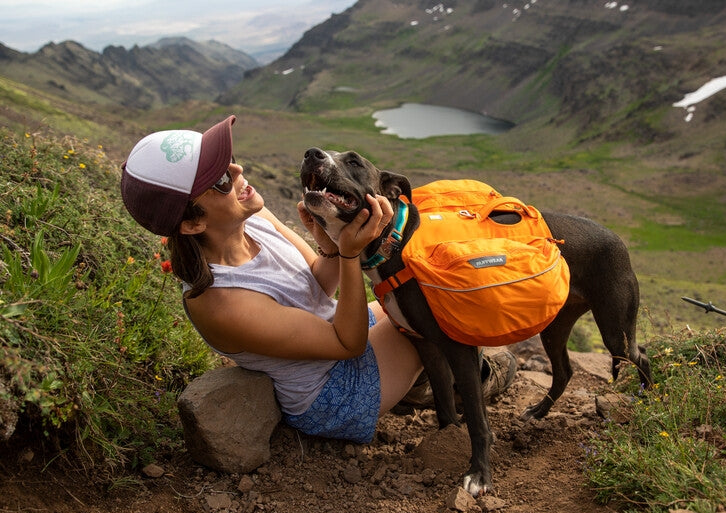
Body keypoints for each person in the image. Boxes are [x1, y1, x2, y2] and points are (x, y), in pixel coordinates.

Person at [119, 115, 516, 444]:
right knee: (434, 316)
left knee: (423, 300)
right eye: (220, 180)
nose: (238, 172)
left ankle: (423, 382)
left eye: (230, 161)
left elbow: (317, 287)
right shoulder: (221, 303)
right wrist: (347, 251)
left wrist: (326, 243)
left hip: (332, 333)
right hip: (335, 391)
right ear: (192, 222)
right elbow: (347, 343)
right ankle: (467, 383)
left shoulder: (251, 218)